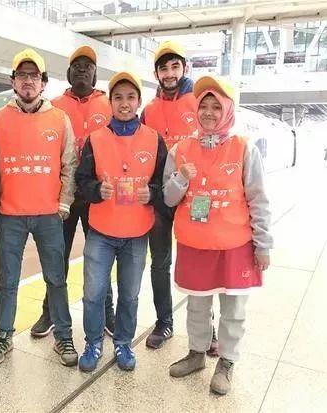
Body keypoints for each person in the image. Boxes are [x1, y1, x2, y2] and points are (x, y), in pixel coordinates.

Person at [164, 75, 272, 395]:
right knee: (197, 305)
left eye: (216, 106)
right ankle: (197, 353)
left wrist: (263, 244)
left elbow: (259, 199)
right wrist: (181, 178)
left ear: (227, 110)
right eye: (204, 106)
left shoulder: (243, 148)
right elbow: (168, 198)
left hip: (235, 244)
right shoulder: (181, 149)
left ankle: (226, 360)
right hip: (195, 243)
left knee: (233, 308)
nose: (209, 112)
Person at [0, 48, 79, 367]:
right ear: (13, 82)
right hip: (10, 215)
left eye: (34, 76)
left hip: (48, 216)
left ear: (43, 83)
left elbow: (70, 164)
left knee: (56, 278)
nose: (28, 81)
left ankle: (63, 335)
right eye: (22, 75)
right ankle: (3, 334)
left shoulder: (59, 119)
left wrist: (63, 204)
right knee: (7, 280)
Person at [76, 72, 167, 372]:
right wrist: (94, 191)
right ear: (110, 102)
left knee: (129, 294)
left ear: (139, 102)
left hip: (137, 233)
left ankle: (123, 343)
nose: (124, 103)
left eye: (130, 97)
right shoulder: (95, 139)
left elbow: (164, 185)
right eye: (118, 97)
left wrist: (150, 193)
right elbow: (81, 180)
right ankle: (92, 342)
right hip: (100, 232)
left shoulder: (154, 140)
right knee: (93, 293)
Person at [31, 45, 116, 338]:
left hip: (98, 198)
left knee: (101, 258)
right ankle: (51, 312)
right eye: (76, 65)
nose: (82, 69)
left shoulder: (109, 105)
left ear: (96, 74)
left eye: (88, 65)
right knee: (58, 257)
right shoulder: (52, 105)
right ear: (67, 73)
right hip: (62, 196)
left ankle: (108, 313)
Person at [140, 40, 205, 350]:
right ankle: (165, 322)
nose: (169, 73)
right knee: (160, 263)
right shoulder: (149, 110)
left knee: (202, 261)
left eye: (174, 66)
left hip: (196, 198)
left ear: (185, 68)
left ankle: (209, 329)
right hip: (160, 199)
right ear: (156, 73)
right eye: (163, 68)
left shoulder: (200, 102)